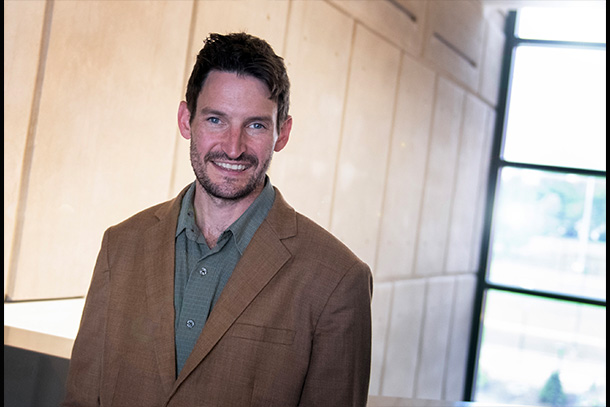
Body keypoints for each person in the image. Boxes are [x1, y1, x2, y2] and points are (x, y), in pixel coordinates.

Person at [63, 32, 373, 407]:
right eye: (216, 119)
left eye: (255, 125)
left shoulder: (337, 281)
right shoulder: (121, 245)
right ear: (185, 120)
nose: (233, 146)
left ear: (282, 133)